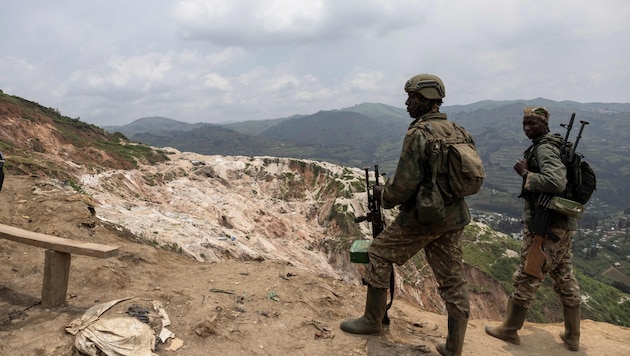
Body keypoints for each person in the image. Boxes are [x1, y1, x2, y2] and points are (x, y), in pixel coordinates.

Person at [340, 74, 475, 356]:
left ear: (423, 100)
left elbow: (402, 187)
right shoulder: (458, 130)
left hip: (424, 217)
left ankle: (371, 321)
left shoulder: (419, 134)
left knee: (378, 252)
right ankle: (454, 347)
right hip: (454, 216)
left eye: (411, 98)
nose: (406, 103)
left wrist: (382, 195)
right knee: (453, 280)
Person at [485, 107, 581, 351]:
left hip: (547, 224)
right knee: (564, 274)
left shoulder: (545, 148)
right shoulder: (555, 145)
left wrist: (526, 173)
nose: (527, 128)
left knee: (529, 273)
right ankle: (572, 335)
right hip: (561, 224)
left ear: (545, 124)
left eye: (533, 124)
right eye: (525, 123)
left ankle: (509, 330)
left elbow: (556, 182)